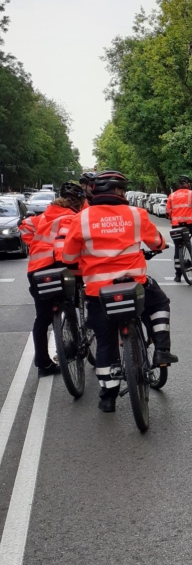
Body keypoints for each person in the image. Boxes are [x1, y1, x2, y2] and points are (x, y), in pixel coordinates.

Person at [61, 170, 177, 412]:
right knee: (159, 303)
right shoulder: (136, 214)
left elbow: (69, 257)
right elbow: (157, 242)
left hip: (97, 292)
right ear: (118, 191)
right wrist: (158, 245)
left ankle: (108, 396)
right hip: (134, 285)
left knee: (104, 342)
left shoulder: (81, 219)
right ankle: (162, 351)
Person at [20, 181, 86, 376]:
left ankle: (43, 363)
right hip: (59, 267)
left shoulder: (43, 216)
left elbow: (24, 227)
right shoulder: (73, 218)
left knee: (42, 317)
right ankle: (74, 344)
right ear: (78, 202)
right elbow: (63, 248)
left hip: (37, 270)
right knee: (71, 300)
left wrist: (36, 244)